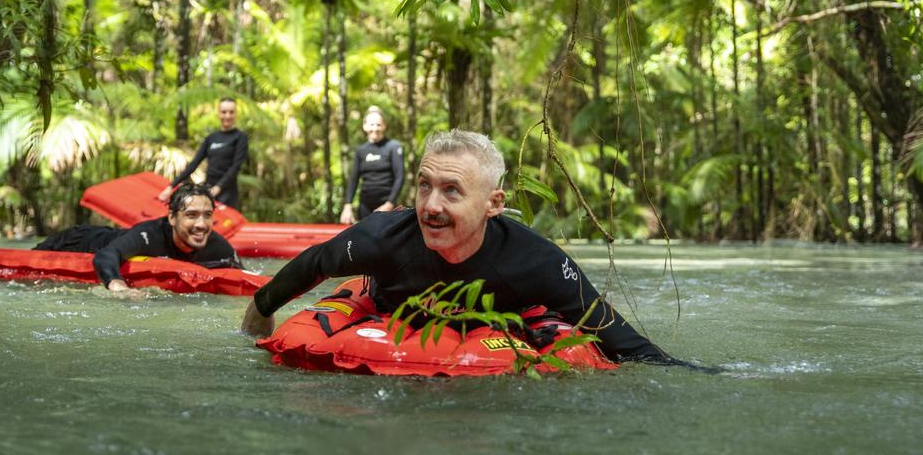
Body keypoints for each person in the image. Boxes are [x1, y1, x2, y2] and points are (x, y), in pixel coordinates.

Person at [242, 129, 680, 365]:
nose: (430, 206)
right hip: (389, 312)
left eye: (452, 191)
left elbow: (625, 342)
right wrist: (254, 326)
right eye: (424, 186)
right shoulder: (380, 237)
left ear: (493, 204)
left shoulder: (537, 261)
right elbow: (306, 269)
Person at [36, 183, 242, 291]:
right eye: (191, 215)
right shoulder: (149, 234)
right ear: (171, 217)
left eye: (207, 216)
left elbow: (244, 277)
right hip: (77, 242)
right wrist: (118, 286)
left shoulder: (218, 246)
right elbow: (106, 255)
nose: (201, 225)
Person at [157, 97, 249, 208]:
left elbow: (235, 167)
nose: (227, 116)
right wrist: (171, 187)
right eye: (224, 112)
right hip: (208, 189)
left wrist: (218, 188)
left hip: (227, 192)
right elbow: (194, 164)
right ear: (219, 113)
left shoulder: (240, 137)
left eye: (231, 112)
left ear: (236, 114)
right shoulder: (211, 138)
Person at [340, 106, 405, 225]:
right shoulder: (361, 150)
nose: (375, 128)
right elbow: (354, 179)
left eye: (378, 125)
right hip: (365, 206)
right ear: (365, 126)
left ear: (384, 126)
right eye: (371, 124)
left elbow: (400, 176)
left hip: (387, 205)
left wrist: (389, 204)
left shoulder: (393, 147)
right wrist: (347, 206)